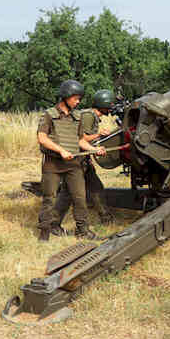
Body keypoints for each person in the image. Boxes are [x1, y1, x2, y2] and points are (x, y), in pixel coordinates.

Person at [37, 79, 105, 242]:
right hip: (53, 164)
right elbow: (42, 138)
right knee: (49, 198)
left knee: (80, 198)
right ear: (65, 97)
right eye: (76, 98)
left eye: (79, 98)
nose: (78, 101)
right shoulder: (49, 115)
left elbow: (80, 140)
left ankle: (83, 231)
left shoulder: (77, 116)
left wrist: (94, 149)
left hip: (73, 164)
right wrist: (60, 150)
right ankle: (45, 231)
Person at [51, 89, 116, 235]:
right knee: (68, 194)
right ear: (104, 104)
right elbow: (81, 139)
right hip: (75, 161)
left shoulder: (91, 116)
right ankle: (53, 225)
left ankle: (106, 219)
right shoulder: (88, 116)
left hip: (82, 161)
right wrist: (97, 138)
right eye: (110, 105)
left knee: (96, 188)